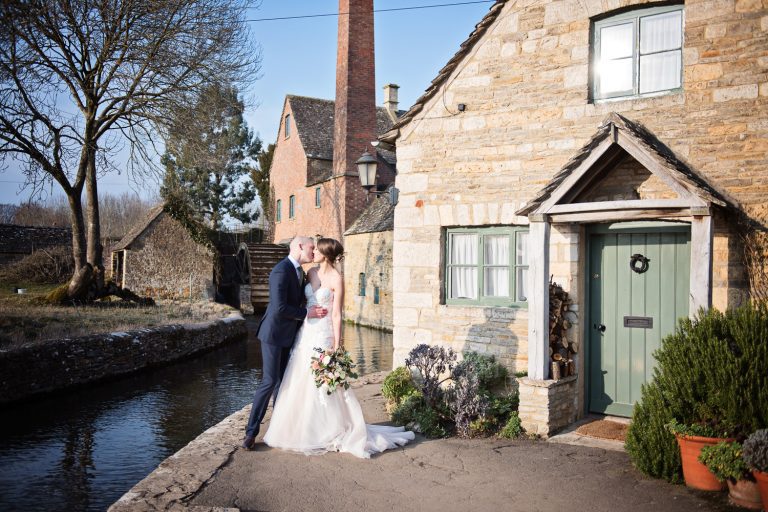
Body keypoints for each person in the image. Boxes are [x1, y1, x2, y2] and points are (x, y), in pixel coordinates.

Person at [263, 238, 414, 458]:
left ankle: (329, 429)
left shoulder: (336, 279)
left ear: (326, 254)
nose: (313, 252)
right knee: (299, 378)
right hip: (306, 332)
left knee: (322, 382)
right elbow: (299, 302)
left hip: (323, 334)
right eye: (312, 249)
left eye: (317, 250)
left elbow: (336, 314)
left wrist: (336, 344)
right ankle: (301, 428)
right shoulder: (310, 273)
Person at [242, 236, 328, 450]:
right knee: (269, 381)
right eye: (311, 247)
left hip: (291, 335)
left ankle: (279, 429)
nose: (313, 251)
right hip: (273, 334)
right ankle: (251, 433)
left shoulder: (301, 272)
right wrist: (306, 313)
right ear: (300, 246)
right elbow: (279, 308)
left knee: (283, 383)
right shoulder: (281, 271)